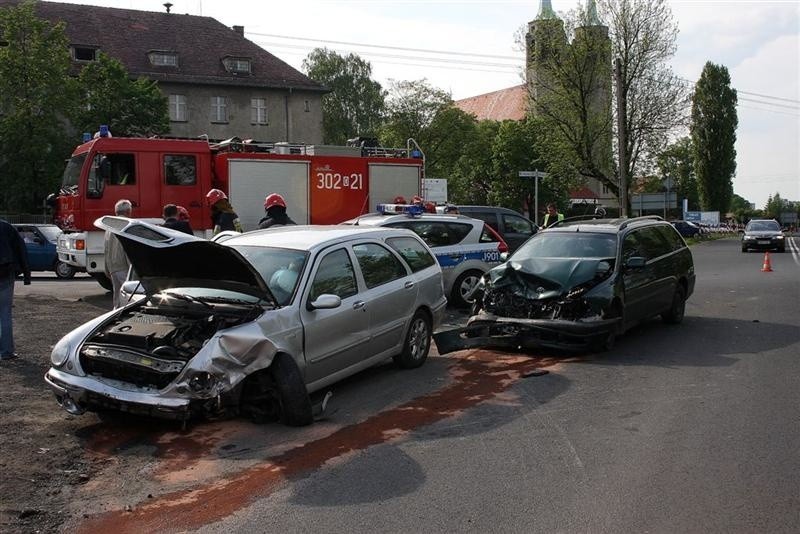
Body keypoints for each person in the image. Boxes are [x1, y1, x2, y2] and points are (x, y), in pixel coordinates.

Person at [0, 219, 31, 360]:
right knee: (5, 313)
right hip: (5, 272)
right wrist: (26, 275)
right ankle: (6, 351)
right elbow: (21, 249)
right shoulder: (7, 227)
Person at [104, 199, 132, 309]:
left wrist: (106, 268)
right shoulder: (126, 224)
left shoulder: (109, 227)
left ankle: (115, 318)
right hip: (124, 266)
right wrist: (132, 268)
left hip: (113, 267)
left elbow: (106, 249)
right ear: (128, 211)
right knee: (130, 297)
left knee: (117, 298)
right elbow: (128, 248)